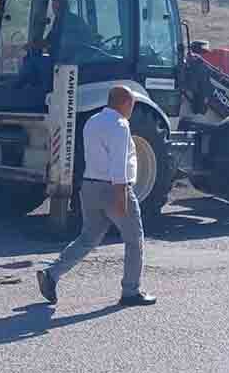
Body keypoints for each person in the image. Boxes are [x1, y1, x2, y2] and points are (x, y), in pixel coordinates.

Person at [37, 85, 156, 307]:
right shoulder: (120, 125)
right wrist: (121, 197)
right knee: (134, 240)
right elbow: (118, 165)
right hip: (114, 189)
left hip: (90, 186)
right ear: (124, 103)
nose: (131, 109)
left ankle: (52, 274)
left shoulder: (92, 122)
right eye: (131, 104)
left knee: (88, 237)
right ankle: (131, 291)